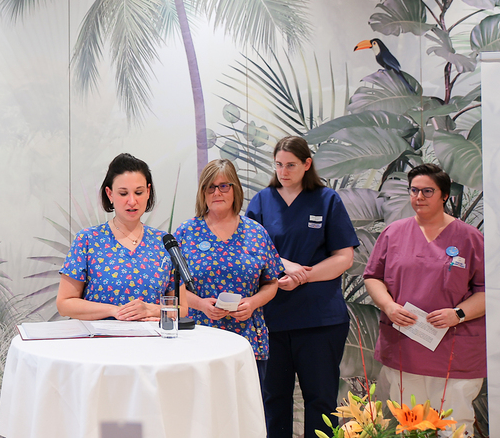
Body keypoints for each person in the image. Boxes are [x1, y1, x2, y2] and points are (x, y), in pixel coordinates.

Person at [245, 136, 359, 438]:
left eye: (291, 165)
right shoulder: (262, 201)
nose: (283, 171)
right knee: (274, 401)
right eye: (279, 165)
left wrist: (303, 276)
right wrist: (285, 267)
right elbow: (251, 251)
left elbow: (344, 257)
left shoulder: (327, 200)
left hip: (320, 320)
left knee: (321, 400)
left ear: (307, 164)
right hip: (272, 319)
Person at [364, 164, 485, 433]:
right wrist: (389, 306)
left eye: (427, 191)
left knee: (454, 427)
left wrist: (458, 314)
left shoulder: (469, 237)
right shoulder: (393, 233)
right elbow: (373, 277)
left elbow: (488, 291)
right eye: (414, 190)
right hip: (406, 346)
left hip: (455, 350)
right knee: (410, 426)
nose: (419, 197)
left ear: (444, 195)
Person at [175, 158, 283, 385]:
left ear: (235, 189)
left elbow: (271, 282)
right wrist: (201, 304)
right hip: (199, 337)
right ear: (203, 192)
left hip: (247, 338)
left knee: (246, 403)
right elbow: (173, 286)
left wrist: (252, 303)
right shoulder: (186, 232)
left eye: (224, 186)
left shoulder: (256, 232)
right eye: (210, 187)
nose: (217, 192)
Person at [57, 153, 174, 321]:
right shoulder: (88, 240)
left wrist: (151, 310)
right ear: (110, 194)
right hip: (99, 337)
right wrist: (115, 311)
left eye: (139, 192)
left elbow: (181, 308)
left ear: (148, 192)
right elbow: (65, 304)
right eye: (123, 193)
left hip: (151, 337)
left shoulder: (164, 242)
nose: (132, 201)